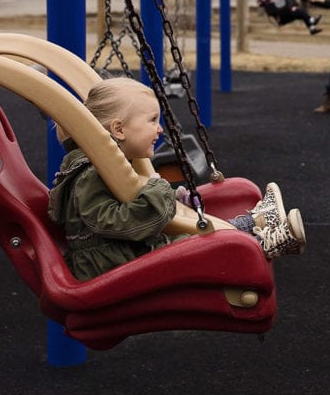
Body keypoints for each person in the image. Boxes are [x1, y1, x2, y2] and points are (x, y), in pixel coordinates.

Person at [48, 77, 307, 281]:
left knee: (190, 235)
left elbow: (125, 204)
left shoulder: (103, 165)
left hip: (118, 255)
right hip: (110, 266)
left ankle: (257, 223)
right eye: (152, 120)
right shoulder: (90, 174)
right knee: (191, 245)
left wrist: (171, 197)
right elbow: (117, 223)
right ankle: (261, 242)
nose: (159, 128)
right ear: (119, 129)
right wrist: (158, 193)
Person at [257, 0, 322, 35]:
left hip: (286, 14)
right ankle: (312, 20)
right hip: (281, 18)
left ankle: (312, 28)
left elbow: (283, 2)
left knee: (301, 13)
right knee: (300, 12)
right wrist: (287, 1)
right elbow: (274, 6)